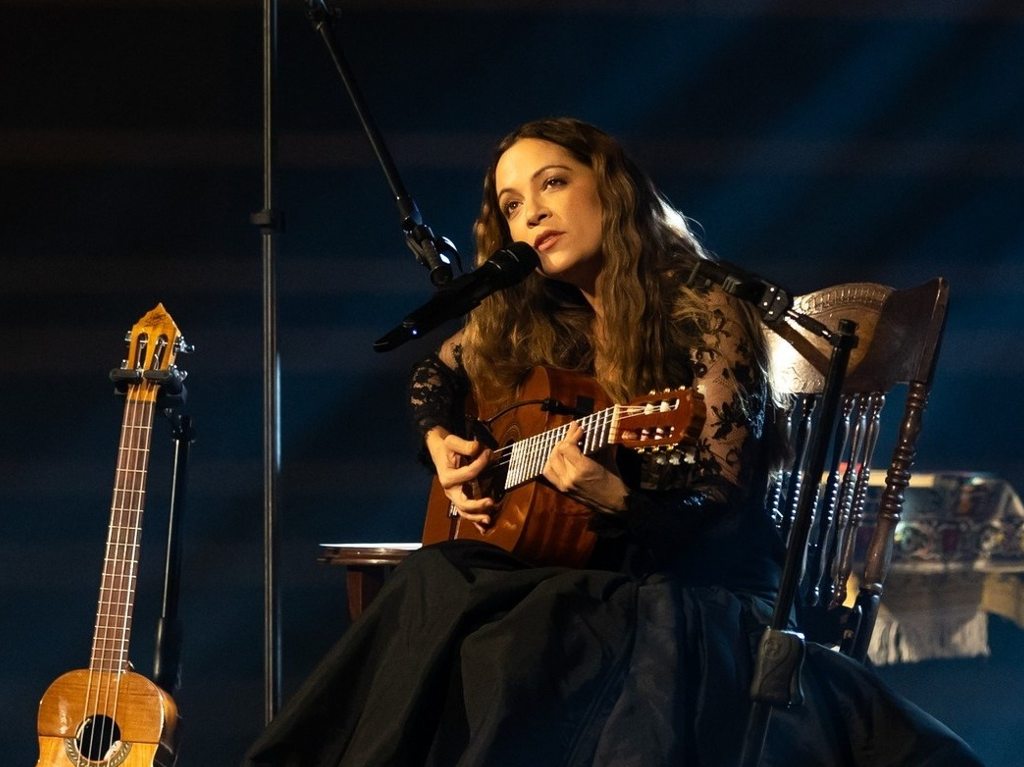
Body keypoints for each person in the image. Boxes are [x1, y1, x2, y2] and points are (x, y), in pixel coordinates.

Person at [245, 118, 981, 766]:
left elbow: (719, 500)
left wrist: (620, 501)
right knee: (438, 580)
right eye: (511, 206)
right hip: (587, 577)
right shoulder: (533, 314)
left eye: (552, 184)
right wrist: (440, 438)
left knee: (514, 633)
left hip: (699, 585)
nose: (531, 215)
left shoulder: (703, 303)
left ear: (611, 187)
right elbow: (435, 374)